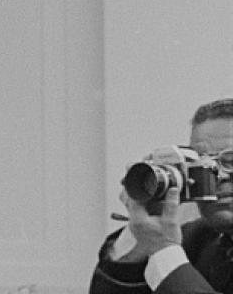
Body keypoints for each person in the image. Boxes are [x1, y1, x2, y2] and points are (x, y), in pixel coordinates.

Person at [90, 98, 233, 294]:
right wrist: (139, 230)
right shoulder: (197, 239)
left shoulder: (171, 244)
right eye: (201, 163)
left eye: (230, 160)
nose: (217, 176)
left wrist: (163, 251)